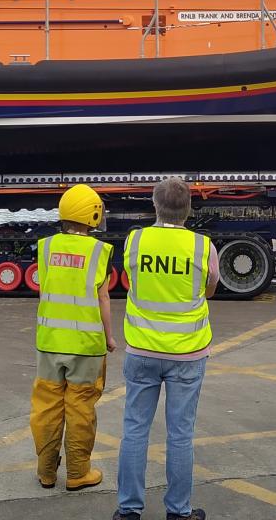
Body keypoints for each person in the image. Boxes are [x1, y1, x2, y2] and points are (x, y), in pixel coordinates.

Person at [115, 176, 219, 520]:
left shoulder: (135, 240)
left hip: (142, 350)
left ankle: (129, 510)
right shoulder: (203, 247)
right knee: (180, 435)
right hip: (187, 354)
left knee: (134, 430)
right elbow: (210, 290)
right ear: (188, 209)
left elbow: (130, 281)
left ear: (154, 206)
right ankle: (178, 511)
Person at [31, 184, 116, 492]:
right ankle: (78, 473)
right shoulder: (99, 252)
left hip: (50, 342)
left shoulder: (45, 247)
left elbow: (45, 288)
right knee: (80, 408)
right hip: (86, 346)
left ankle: (46, 472)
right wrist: (109, 338)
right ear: (93, 215)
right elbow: (103, 299)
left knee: (47, 406)